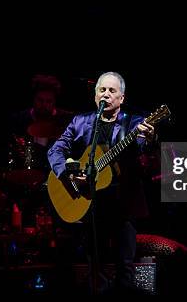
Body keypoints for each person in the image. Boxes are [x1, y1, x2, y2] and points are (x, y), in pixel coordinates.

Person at [47, 71, 156, 293]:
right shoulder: (81, 121)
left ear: (122, 98)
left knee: (124, 266)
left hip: (123, 204)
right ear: (95, 95)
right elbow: (56, 149)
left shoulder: (133, 123)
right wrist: (67, 174)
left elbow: (143, 146)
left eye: (112, 90)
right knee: (94, 267)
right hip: (91, 205)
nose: (106, 94)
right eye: (102, 90)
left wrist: (149, 137)